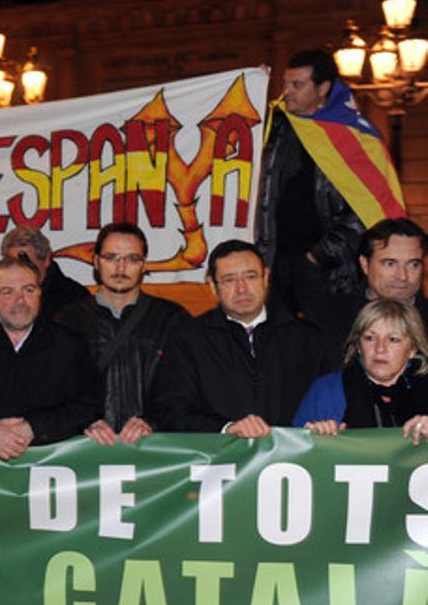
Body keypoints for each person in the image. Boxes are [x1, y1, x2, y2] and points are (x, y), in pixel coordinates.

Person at [152, 240, 331, 437]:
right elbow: (170, 411)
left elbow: (330, 400)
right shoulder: (187, 339)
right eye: (229, 280)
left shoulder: (307, 339)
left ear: (266, 278)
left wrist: (326, 423)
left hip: (293, 462)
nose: (242, 289)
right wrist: (226, 428)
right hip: (218, 461)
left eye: (251, 277)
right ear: (212, 286)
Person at [255, 49, 380, 310]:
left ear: (322, 88)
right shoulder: (274, 129)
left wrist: (318, 256)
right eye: (285, 83)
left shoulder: (351, 134)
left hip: (328, 271)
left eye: (297, 85)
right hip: (276, 266)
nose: (286, 91)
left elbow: (365, 210)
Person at [0, 256, 104, 459]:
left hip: (53, 467)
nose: (20, 301)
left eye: (28, 290)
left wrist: (33, 428)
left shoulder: (69, 344)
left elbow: (88, 404)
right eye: (7, 292)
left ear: (40, 294)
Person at [56, 223, 189, 444]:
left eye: (132, 259)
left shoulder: (172, 319)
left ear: (144, 265)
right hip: (85, 447)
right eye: (111, 257)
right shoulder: (67, 320)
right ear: (96, 262)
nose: (120, 267)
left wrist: (153, 422)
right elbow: (54, 389)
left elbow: (187, 389)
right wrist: (82, 421)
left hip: (157, 450)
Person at [295, 299, 428, 442]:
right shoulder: (327, 390)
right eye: (370, 338)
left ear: (413, 349)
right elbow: (295, 452)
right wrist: (313, 437)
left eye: (393, 340)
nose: (380, 349)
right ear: (358, 345)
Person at [305, 218, 428, 360]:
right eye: (390, 263)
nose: (402, 276)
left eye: (413, 265)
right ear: (364, 264)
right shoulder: (332, 314)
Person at [0, 225, 90, 321]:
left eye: (27, 264)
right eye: (12, 264)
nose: (20, 271)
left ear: (46, 259)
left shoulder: (74, 298)